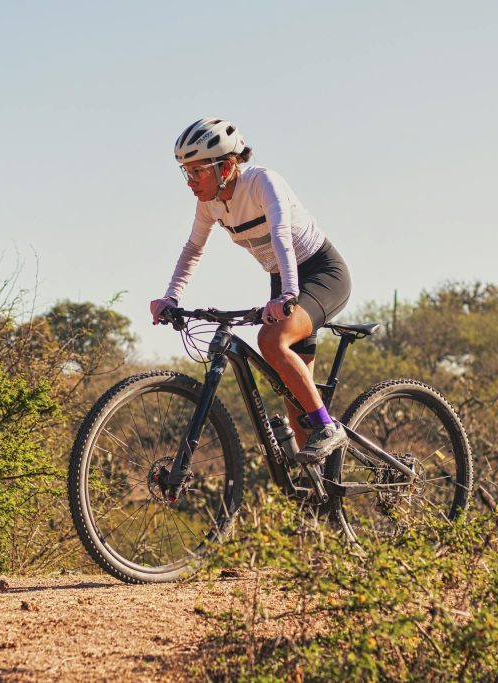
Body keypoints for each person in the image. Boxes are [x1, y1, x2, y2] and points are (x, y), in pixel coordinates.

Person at [150, 117, 352, 465]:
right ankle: (317, 498)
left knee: (271, 341)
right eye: (186, 172)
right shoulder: (210, 203)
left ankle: (328, 428)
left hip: (321, 274)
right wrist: (171, 297)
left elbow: (281, 237)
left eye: (197, 171)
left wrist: (288, 294)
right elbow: (193, 249)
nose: (190, 182)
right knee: (294, 399)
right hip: (283, 281)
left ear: (226, 166)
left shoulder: (263, 183)